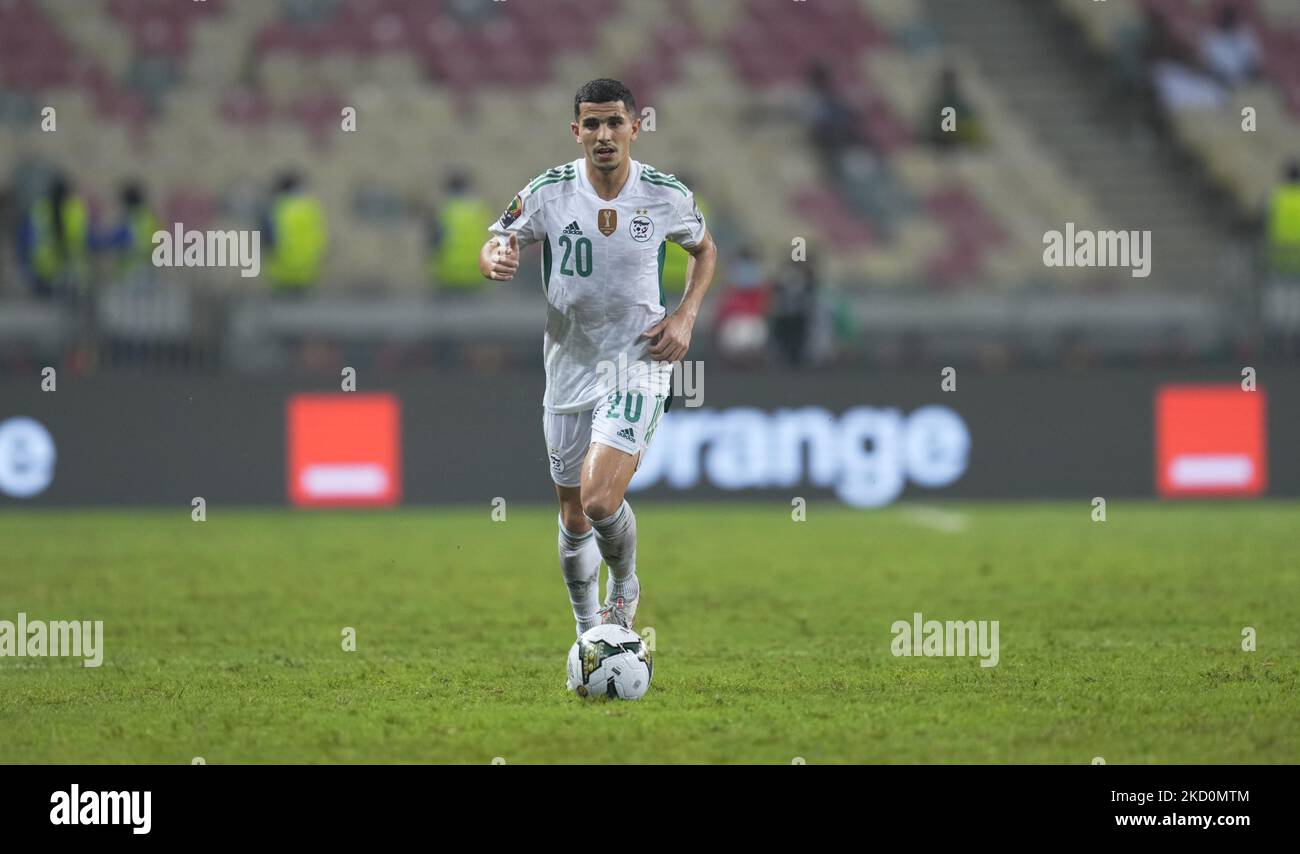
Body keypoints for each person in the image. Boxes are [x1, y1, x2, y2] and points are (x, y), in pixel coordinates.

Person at [478, 79, 717, 636]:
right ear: (576, 131)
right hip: (567, 365)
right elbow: (498, 239)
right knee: (573, 515)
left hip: (637, 361)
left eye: (614, 123)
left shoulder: (664, 194)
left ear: (636, 127)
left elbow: (704, 250)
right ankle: (590, 633)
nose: (603, 134)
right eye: (592, 123)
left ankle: (625, 587)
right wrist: (493, 257)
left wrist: (684, 317)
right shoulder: (548, 192)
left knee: (602, 500)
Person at [20, 173, 89, 298]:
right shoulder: (76, 208)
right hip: (70, 260)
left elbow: (32, 234)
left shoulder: (41, 207)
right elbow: (84, 234)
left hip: (45, 262)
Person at [429, 171, 496, 293]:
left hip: (449, 275)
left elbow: (433, 243)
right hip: (478, 274)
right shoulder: (480, 209)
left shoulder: (444, 210)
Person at [263, 172, 328, 294]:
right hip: (307, 266)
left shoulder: (277, 207)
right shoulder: (310, 207)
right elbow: (319, 233)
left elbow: (268, 237)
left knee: (283, 306)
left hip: (281, 266)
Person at [769, 254, 819, 367]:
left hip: (798, 314)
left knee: (797, 339)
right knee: (787, 338)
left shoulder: (806, 276)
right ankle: (787, 356)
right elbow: (776, 289)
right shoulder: (785, 275)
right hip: (786, 314)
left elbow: (810, 291)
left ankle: (795, 357)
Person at [1200, 4, 1261, 88]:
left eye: (1229, 17)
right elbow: (1209, 68)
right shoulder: (1210, 38)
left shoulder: (1246, 34)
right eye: (1223, 17)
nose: (1226, 20)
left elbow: (1255, 62)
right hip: (1221, 85)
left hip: (1250, 83)